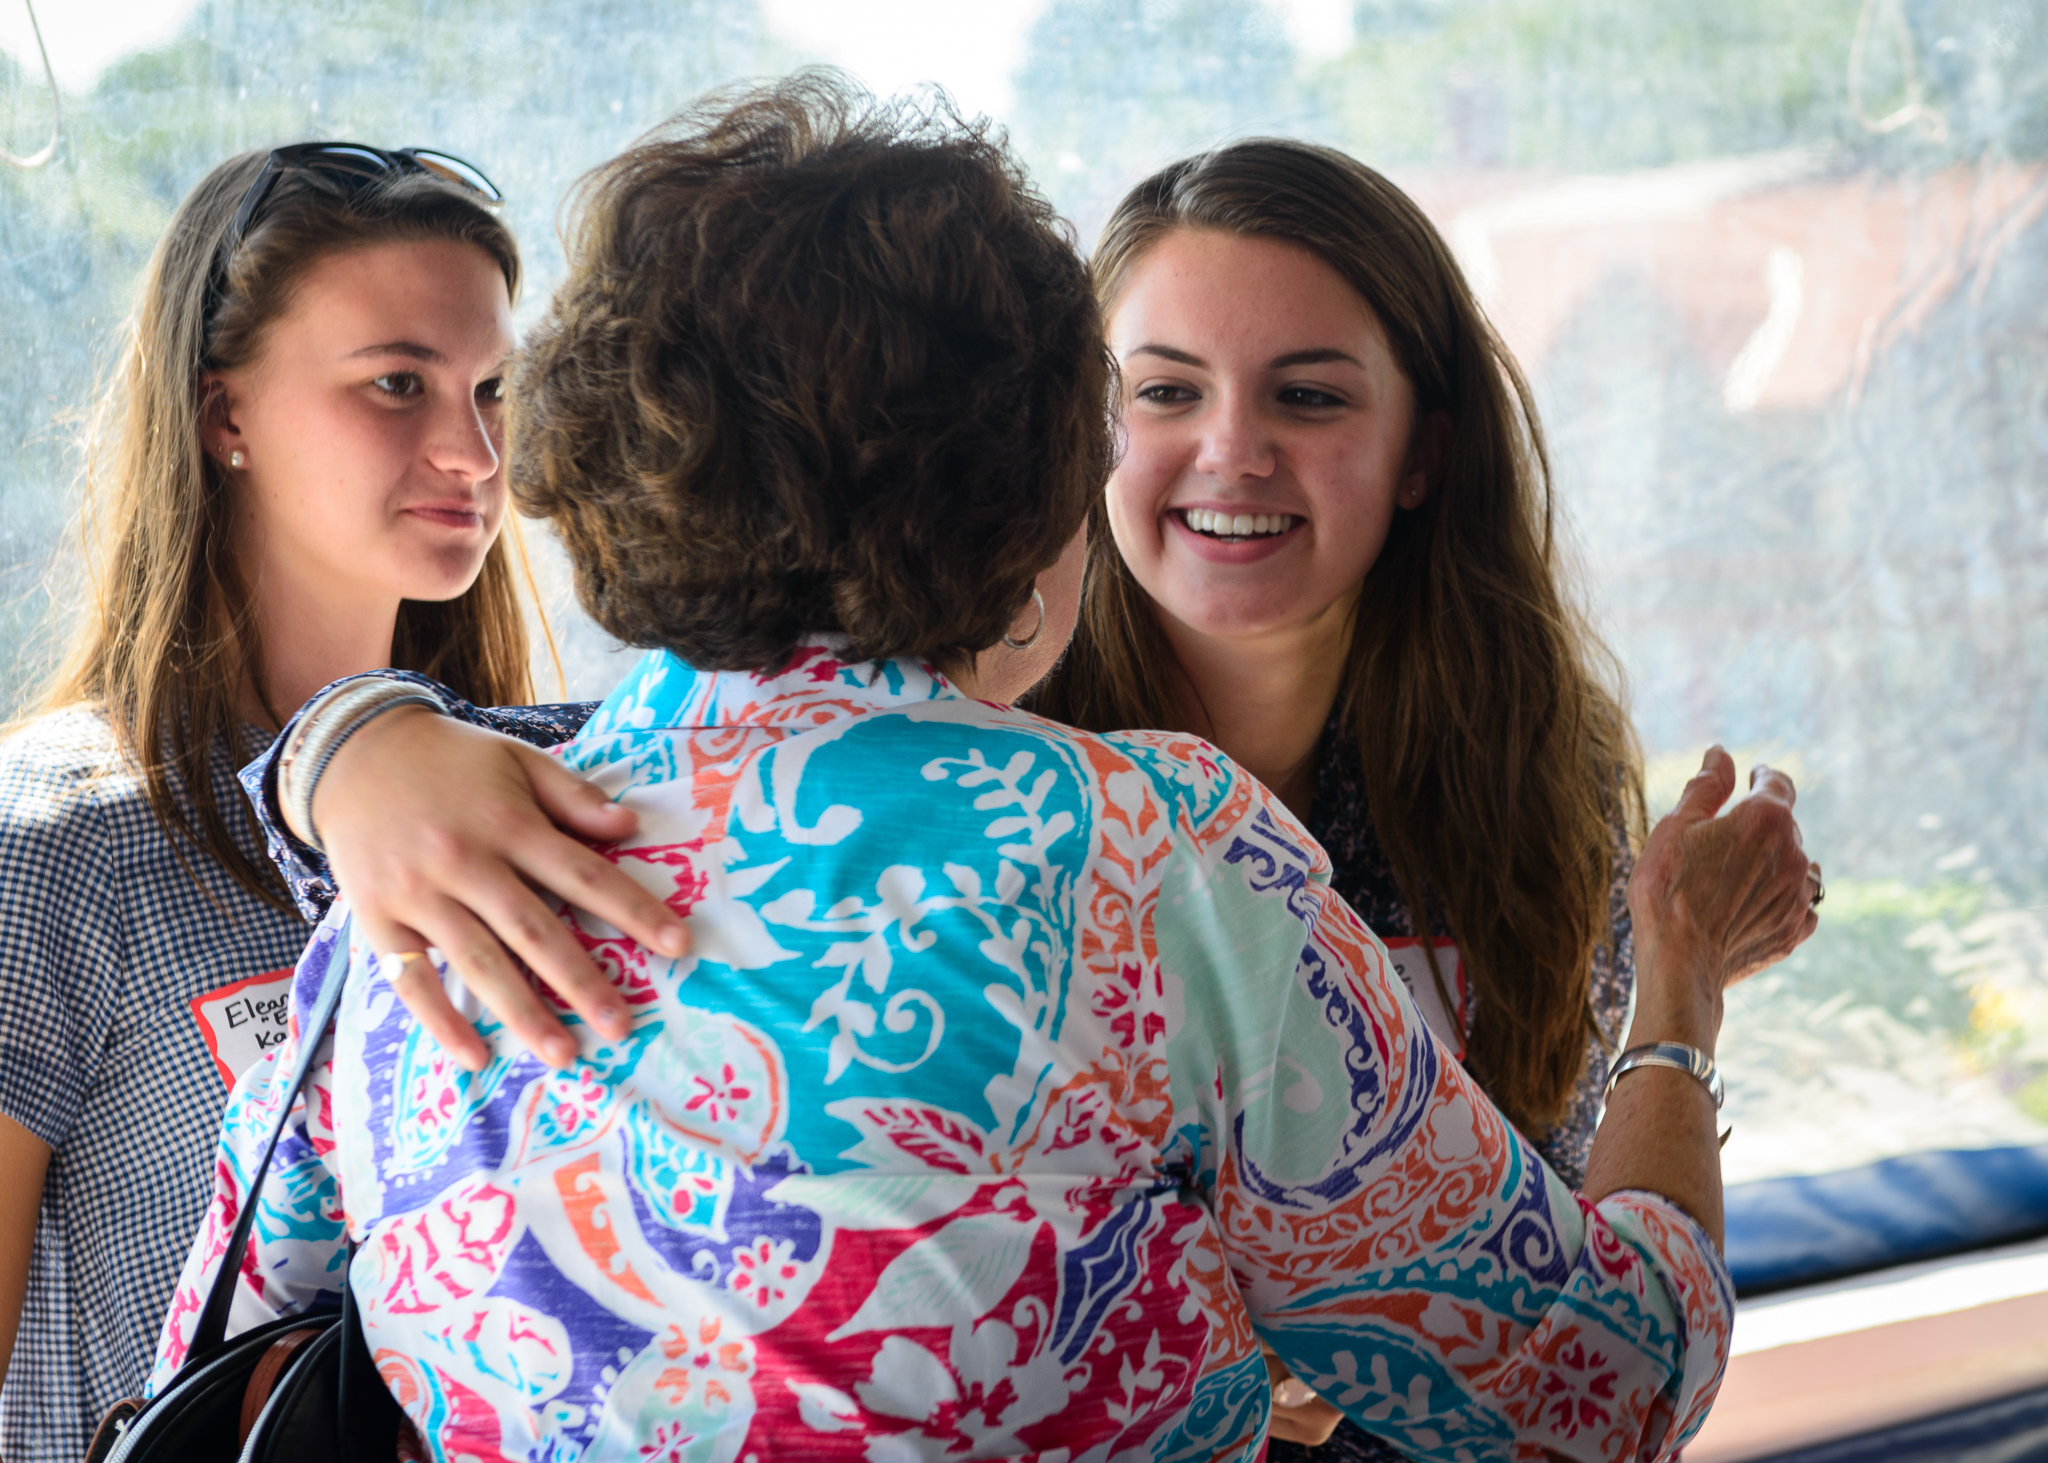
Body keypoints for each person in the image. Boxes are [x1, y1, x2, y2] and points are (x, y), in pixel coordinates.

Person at [152, 76, 1818, 1460]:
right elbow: (1602, 1401)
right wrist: (1681, 998)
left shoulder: (405, 912)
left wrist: (352, 743)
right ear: (1041, 486)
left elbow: (238, 1342)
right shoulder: (1156, 860)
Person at [1024, 142, 1645, 1459]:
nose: (1231, 449)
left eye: (1307, 397)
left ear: (1424, 455)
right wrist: (451, 754)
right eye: (1164, 392)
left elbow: (1568, 1273)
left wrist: (1687, 965)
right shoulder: (982, 761)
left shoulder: (1543, 774)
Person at [0, 141, 534, 1459]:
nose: (470, 451)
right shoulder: (58, 843)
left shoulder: (540, 803)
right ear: (221, 414)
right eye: (397, 384)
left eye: (493, 392)